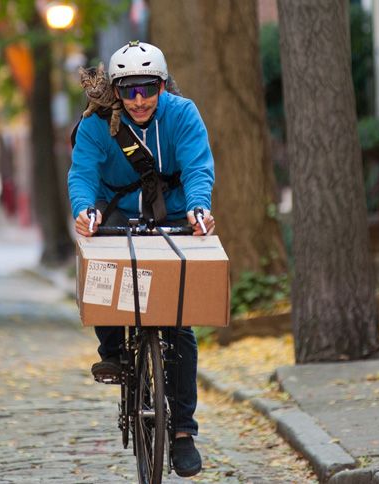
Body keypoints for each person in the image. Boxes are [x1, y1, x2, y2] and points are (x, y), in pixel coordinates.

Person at [67, 40, 215, 478]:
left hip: (170, 213)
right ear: (116, 89)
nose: (138, 100)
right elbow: (82, 172)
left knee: (180, 325)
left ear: (162, 85)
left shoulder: (182, 114)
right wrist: (85, 210)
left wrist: (199, 207)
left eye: (147, 89)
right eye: (129, 90)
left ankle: (183, 432)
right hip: (114, 213)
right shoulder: (97, 124)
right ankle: (113, 349)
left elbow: (197, 166)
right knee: (105, 272)